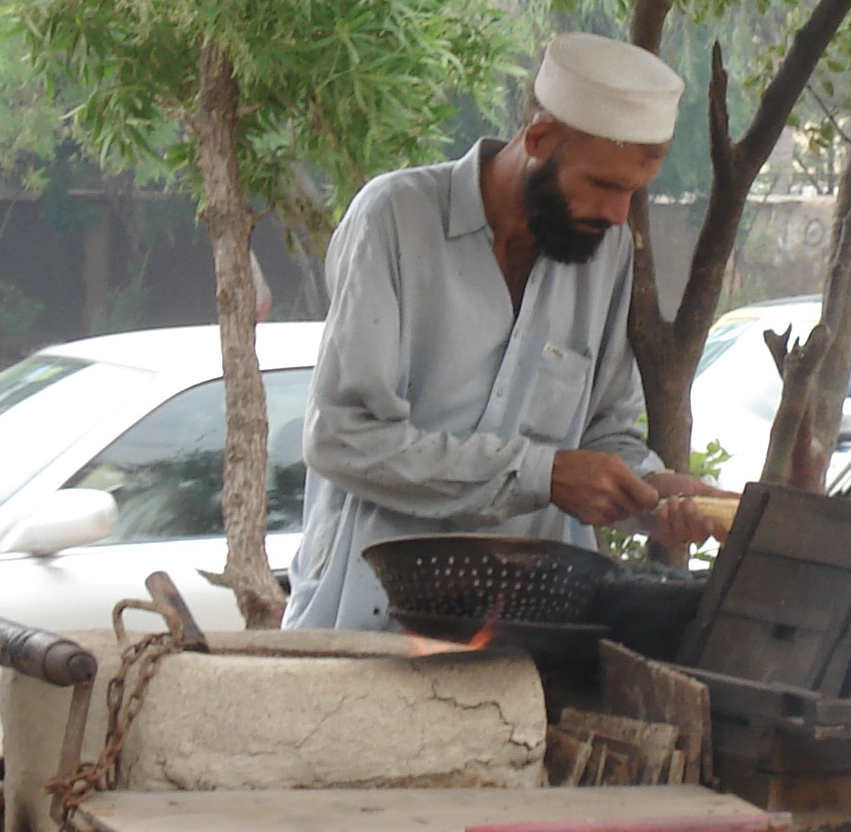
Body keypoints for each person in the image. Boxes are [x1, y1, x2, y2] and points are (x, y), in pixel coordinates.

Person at [285, 32, 727, 630]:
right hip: (371, 624)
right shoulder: (394, 218)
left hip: (525, 636)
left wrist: (652, 489)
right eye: (603, 185)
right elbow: (342, 437)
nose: (619, 214)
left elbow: (601, 432)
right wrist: (542, 474)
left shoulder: (607, 250)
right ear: (538, 139)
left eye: (633, 192)